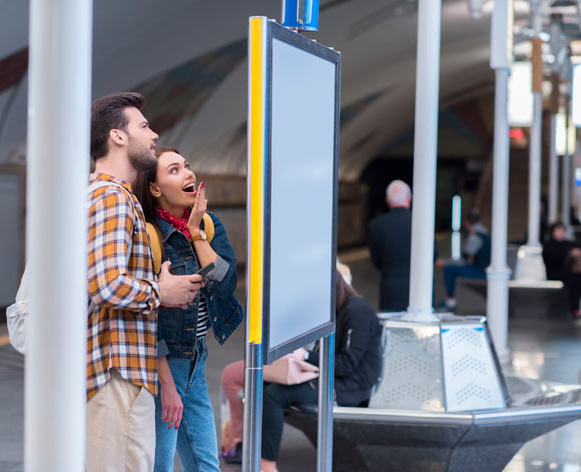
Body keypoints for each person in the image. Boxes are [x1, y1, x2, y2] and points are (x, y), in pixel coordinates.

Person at [86, 93, 204, 472]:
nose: (153, 135)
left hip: (122, 370)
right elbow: (105, 284)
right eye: (143, 126)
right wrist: (162, 292)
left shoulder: (110, 196)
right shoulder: (112, 197)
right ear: (118, 137)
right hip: (115, 371)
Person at [133, 147, 244, 472]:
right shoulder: (149, 235)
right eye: (174, 170)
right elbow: (144, 314)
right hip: (161, 367)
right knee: (160, 464)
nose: (188, 173)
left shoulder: (209, 226)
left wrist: (195, 232)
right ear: (155, 188)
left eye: (187, 166)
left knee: (207, 465)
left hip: (196, 359)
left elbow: (225, 284)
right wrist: (167, 384)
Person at [220, 270, 383, 472]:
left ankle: (267, 464)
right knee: (264, 386)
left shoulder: (357, 313)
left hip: (350, 386)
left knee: (273, 397)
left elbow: (346, 365)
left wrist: (304, 356)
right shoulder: (338, 311)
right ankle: (257, 453)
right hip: (329, 376)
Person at [368, 180, 413, 311]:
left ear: (387, 200)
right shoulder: (422, 223)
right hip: (420, 289)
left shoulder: (376, 225)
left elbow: (376, 260)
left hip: (390, 289)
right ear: (409, 198)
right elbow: (433, 256)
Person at [441, 209, 491, 311]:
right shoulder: (484, 232)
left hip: (482, 272)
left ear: (467, 223)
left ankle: (450, 302)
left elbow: (464, 260)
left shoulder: (475, 236)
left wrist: (445, 262)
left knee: (449, 269)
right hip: (486, 270)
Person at [543, 222, 581, 317]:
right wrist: (569, 254)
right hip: (555, 273)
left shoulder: (568, 243)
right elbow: (553, 259)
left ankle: (575, 308)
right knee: (575, 280)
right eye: (558, 231)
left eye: (562, 231)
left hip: (571, 273)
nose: (561, 233)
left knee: (576, 278)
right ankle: (574, 308)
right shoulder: (548, 245)